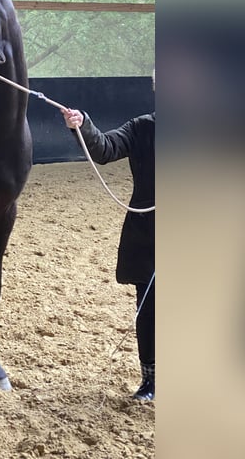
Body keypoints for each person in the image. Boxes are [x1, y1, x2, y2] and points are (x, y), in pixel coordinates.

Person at [61, 105, 155, 401]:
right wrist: (83, 124)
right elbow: (105, 148)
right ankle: (151, 380)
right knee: (150, 308)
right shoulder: (142, 127)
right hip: (149, 234)